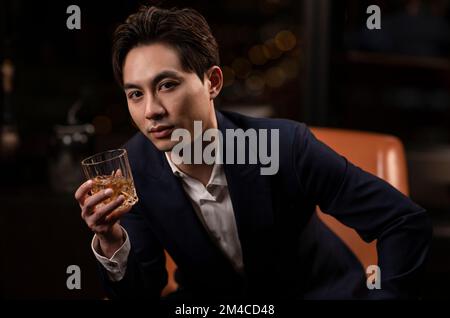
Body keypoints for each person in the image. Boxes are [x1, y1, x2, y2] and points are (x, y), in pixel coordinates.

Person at [74, 5, 431, 300]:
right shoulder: (133, 168)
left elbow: (402, 221)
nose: (151, 110)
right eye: (136, 94)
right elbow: (141, 293)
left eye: (167, 85)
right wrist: (111, 239)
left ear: (212, 82)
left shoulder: (283, 146)